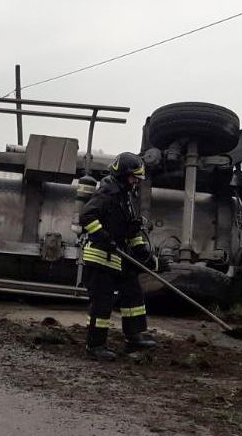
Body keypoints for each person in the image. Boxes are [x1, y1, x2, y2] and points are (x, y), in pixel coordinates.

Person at [77, 151, 158, 360]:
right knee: (102, 302)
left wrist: (141, 249)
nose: (136, 182)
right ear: (123, 175)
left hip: (118, 256)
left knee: (133, 293)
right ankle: (94, 346)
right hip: (100, 256)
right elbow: (86, 216)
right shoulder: (107, 192)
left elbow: (130, 229)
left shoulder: (127, 195)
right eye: (134, 178)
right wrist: (104, 236)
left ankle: (134, 336)